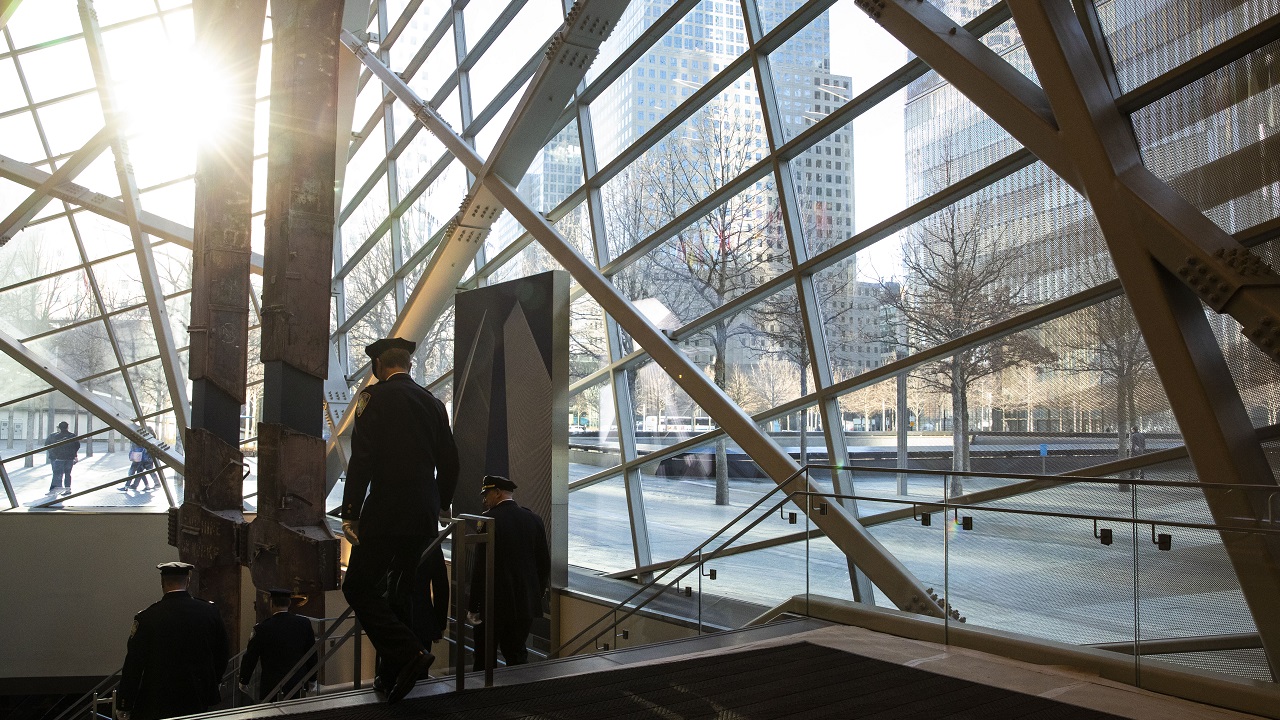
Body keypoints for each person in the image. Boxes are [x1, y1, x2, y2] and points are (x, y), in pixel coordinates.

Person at [340, 336, 459, 704]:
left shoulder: (372, 400)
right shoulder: (434, 404)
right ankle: (396, 675)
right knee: (404, 590)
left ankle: (407, 654)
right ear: (408, 364)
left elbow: (361, 461)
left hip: (386, 509)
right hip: (423, 513)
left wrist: (352, 514)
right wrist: (440, 505)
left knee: (358, 587)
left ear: (379, 366)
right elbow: (451, 463)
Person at [116, 562, 229, 720]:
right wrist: (212, 682)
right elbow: (222, 653)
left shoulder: (147, 617)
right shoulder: (209, 612)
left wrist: (124, 703)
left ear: (162, 583)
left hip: (158, 697)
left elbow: (134, 664)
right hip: (197, 694)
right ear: (188, 581)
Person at [468, 475, 550, 671]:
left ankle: (485, 698)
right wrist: (535, 595)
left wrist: (473, 604)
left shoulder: (488, 521)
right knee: (516, 654)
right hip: (525, 603)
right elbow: (543, 564)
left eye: (486, 494)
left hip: (494, 602)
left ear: (497, 493)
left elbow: (480, 567)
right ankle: (519, 697)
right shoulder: (534, 519)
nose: (484, 499)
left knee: (485, 657)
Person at [238, 589, 317, 702]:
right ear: (289, 603)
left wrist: (244, 680)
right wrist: (313, 679)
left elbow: (251, 657)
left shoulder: (262, 629)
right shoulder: (304, 623)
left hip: (272, 685)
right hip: (298, 682)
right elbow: (311, 653)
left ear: (272, 603)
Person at [44, 421, 80, 495]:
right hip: (69, 458)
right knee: (68, 473)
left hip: (59, 458)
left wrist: (56, 454)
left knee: (57, 473)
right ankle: (67, 489)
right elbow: (77, 446)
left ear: (59, 428)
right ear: (67, 427)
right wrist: (73, 454)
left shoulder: (55, 436)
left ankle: (55, 489)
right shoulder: (72, 436)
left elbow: (51, 446)